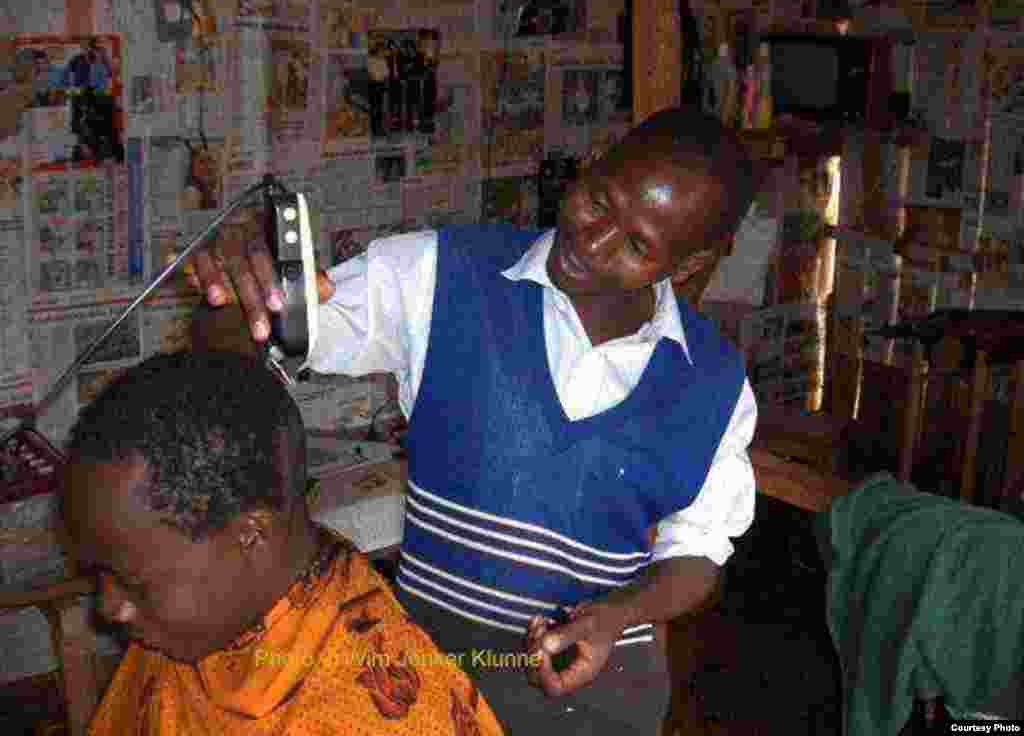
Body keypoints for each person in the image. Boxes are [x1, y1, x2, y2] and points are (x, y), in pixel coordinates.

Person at [190, 105, 760, 733]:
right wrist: (233, 290)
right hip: (428, 697)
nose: (592, 241)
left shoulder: (715, 383)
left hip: (601, 709)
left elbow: (700, 552)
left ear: (686, 265)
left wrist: (618, 614)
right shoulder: (441, 275)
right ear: (595, 162)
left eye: (636, 245)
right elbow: (260, 336)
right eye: (599, 201)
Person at [61, 350, 504, 736]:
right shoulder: (193, 626)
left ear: (251, 533)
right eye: (100, 573)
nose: (109, 607)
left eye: (132, 582)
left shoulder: (375, 717)